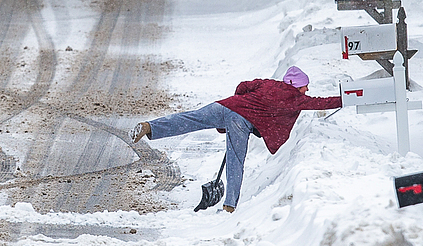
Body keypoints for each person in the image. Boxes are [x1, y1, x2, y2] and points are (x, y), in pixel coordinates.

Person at [130, 66, 342, 212]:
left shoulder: (267, 84)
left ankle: (150, 127)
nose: (307, 89)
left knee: (190, 118)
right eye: (305, 85)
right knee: (236, 160)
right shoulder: (296, 98)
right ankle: (230, 205)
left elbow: (243, 86)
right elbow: (321, 103)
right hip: (240, 122)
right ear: (295, 84)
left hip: (226, 105)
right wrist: (344, 99)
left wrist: (236, 106)